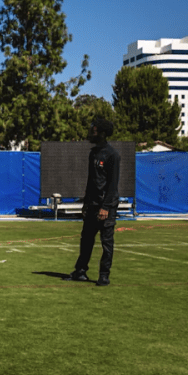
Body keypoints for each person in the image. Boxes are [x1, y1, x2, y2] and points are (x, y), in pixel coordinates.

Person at [65, 118, 120, 287]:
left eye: (94, 131)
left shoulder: (112, 155)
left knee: (106, 242)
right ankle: (80, 271)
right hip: (92, 205)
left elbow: (112, 183)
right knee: (86, 239)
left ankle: (104, 275)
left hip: (105, 206)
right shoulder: (93, 153)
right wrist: (86, 203)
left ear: (103, 133)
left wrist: (106, 206)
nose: (91, 133)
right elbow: (91, 181)